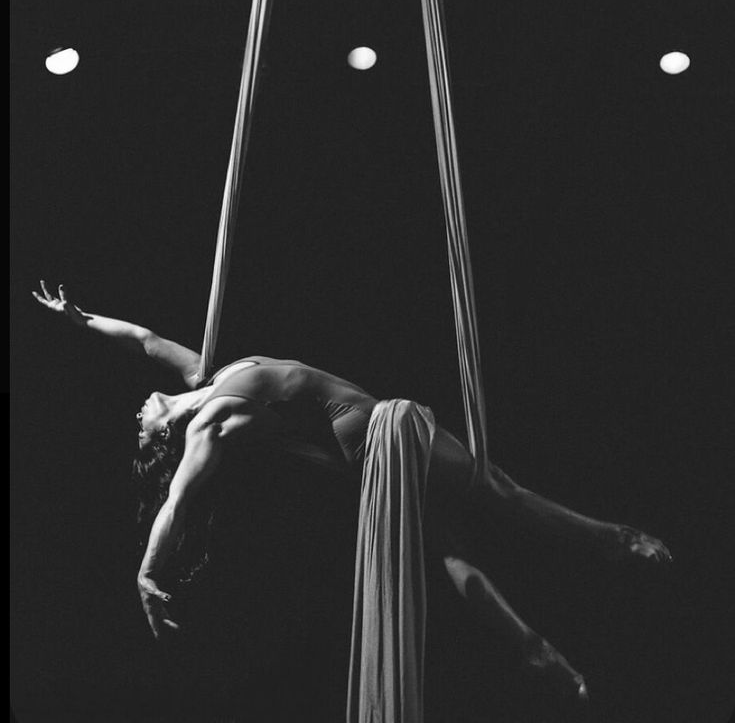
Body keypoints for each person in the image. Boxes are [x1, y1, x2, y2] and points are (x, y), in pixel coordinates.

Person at [32, 280, 672, 707]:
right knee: (488, 497)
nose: (133, 414)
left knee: (460, 531)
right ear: (158, 439)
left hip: (369, 441)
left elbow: (142, 339)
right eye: (136, 429)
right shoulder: (206, 427)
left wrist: (79, 318)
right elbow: (176, 504)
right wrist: (146, 573)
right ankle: (612, 546)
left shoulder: (206, 376)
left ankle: (537, 649)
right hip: (375, 436)